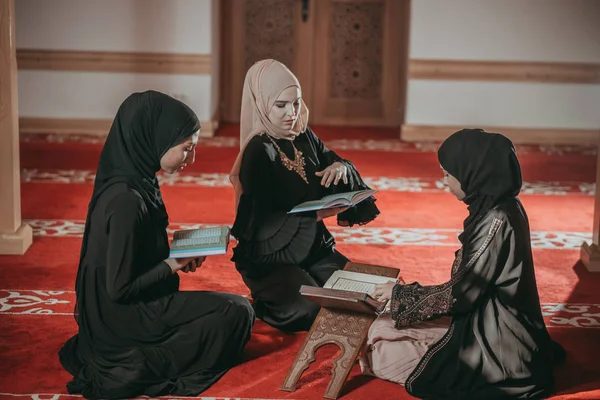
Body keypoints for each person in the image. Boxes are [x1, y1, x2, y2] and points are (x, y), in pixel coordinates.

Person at [58, 90, 255, 400]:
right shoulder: (125, 200)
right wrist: (172, 263)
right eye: (186, 149)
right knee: (238, 312)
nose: (192, 159)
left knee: (232, 310)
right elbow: (119, 289)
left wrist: (178, 251)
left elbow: (132, 255)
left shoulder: (135, 177)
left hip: (123, 308)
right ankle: (141, 363)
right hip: (124, 318)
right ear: (155, 138)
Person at [360, 128, 565, 399]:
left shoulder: (496, 219)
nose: (444, 181)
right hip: (484, 320)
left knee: (379, 351)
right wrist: (402, 296)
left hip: (499, 349)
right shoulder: (499, 207)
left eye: (447, 174)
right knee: (380, 327)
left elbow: (463, 294)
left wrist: (398, 293)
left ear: (472, 172)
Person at [229, 59, 380, 332]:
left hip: (314, 249)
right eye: (281, 105)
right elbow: (261, 222)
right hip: (271, 259)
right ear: (261, 103)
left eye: (296, 103)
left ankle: (309, 280)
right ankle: (263, 303)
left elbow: (332, 158)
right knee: (311, 311)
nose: (291, 113)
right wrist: (316, 214)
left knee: (364, 294)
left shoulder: (302, 134)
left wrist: (340, 167)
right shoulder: (257, 152)